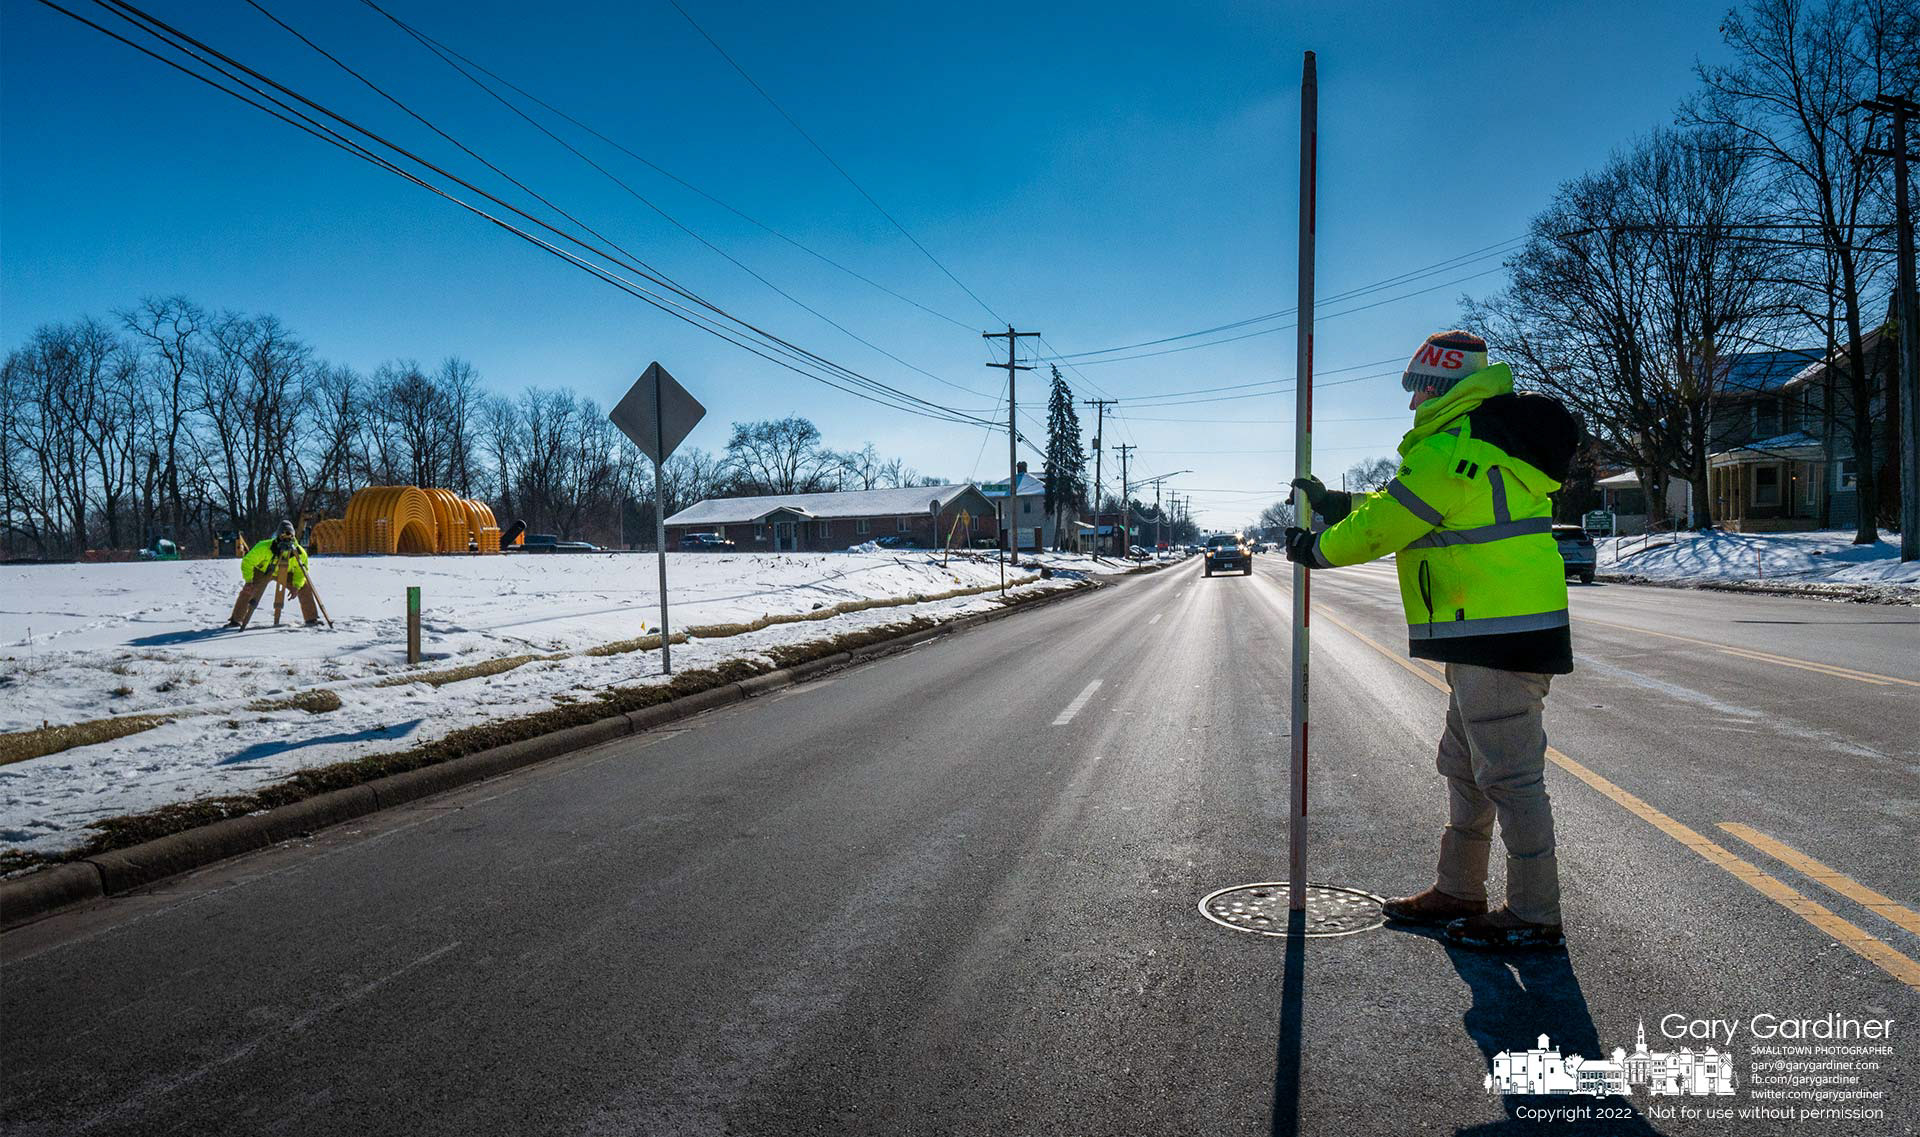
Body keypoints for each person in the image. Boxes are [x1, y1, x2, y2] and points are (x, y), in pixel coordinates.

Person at [1283, 330, 1580, 950]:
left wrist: (1315, 547)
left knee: (1508, 777)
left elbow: (1384, 527)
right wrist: (1337, 502)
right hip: (1491, 633)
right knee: (1469, 769)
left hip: (1501, 635)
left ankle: (1534, 914)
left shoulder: (1454, 449)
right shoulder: (1478, 443)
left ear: (1438, 386)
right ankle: (1459, 888)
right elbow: (1404, 507)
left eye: (1416, 387)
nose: (1411, 402)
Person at [227, 521, 321, 628]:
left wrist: (296, 586)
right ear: (278, 536)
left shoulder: (299, 552)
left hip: (286, 572)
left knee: (304, 587)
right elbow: (247, 561)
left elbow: (301, 571)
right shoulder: (263, 547)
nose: (286, 538)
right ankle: (236, 620)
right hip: (263, 570)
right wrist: (249, 581)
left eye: (289, 535)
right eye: (283, 535)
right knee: (248, 590)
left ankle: (311, 619)